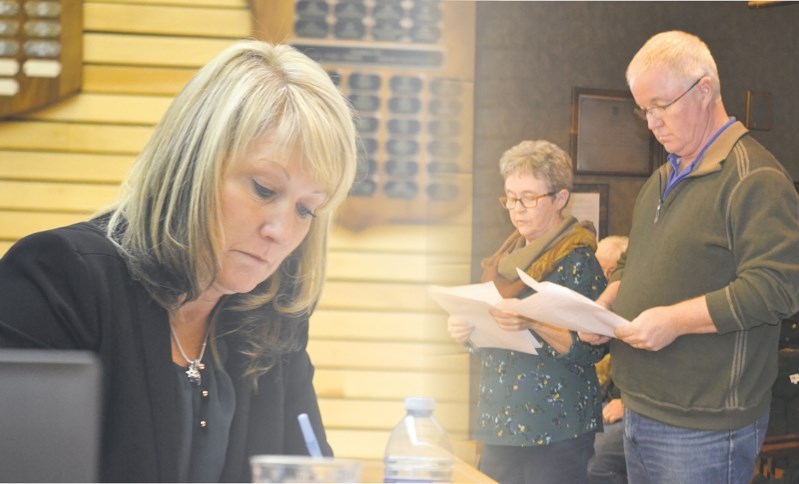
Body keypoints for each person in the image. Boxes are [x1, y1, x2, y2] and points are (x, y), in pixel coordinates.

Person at [0, 40, 357, 482]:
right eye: (264, 189)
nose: (281, 232)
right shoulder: (58, 276)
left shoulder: (273, 313)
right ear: (193, 165)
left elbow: (303, 467)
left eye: (306, 209)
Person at [579, 30, 799, 484]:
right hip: (641, 407)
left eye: (661, 106)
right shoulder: (660, 178)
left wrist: (675, 321)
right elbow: (632, 259)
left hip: (704, 426)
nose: (651, 122)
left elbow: (777, 288)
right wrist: (608, 302)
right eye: (645, 110)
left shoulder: (755, 179)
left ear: (704, 91)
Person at [448, 139, 607, 484]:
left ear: (560, 199)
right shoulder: (505, 259)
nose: (516, 208)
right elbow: (495, 334)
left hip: (556, 426)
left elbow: (594, 347)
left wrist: (532, 320)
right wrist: (469, 331)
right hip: (500, 420)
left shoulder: (578, 261)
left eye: (529, 198)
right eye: (510, 197)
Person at [588, 235, 629, 484]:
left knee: (593, 458)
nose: (604, 277)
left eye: (612, 271)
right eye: (599, 269)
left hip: (637, 407)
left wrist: (626, 403)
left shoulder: (640, 306)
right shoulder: (599, 301)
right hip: (605, 399)